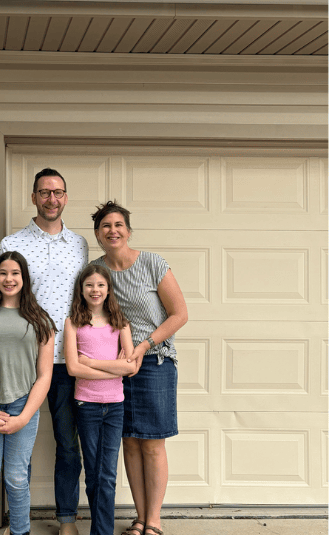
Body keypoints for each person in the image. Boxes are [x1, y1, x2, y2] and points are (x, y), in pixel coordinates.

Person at [0, 168, 89, 535]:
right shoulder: (12, 243)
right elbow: (5, 298)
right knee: (20, 442)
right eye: (45, 192)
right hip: (24, 361)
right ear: (33, 197)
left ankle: (67, 519)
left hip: (69, 362)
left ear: (65, 198)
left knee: (68, 444)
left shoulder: (80, 244)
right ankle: (19, 522)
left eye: (59, 192)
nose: (52, 198)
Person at [90, 201, 188, 535]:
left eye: (118, 224)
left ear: (128, 231)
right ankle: (141, 517)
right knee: (129, 443)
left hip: (154, 363)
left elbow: (179, 314)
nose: (112, 230)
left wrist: (144, 345)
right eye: (105, 226)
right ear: (98, 235)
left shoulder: (151, 264)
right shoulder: (97, 271)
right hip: (117, 367)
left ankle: (155, 521)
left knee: (152, 443)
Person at [0, 250, 56, 535]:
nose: (9, 278)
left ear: (24, 278)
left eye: (15, 273)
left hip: (22, 407)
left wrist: (24, 417)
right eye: (3, 273)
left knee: (17, 479)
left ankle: (20, 531)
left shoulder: (41, 321)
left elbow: (44, 376)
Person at [64, 264, 136, 535]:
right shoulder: (73, 322)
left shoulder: (120, 322)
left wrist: (91, 363)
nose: (95, 290)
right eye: (89, 285)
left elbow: (130, 367)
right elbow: (73, 368)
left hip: (115, 406)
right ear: (81, 290)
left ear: (108, 289)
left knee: (107, 476)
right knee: (94, 474)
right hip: (87, 405)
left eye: (100, 285)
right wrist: (111, 367)